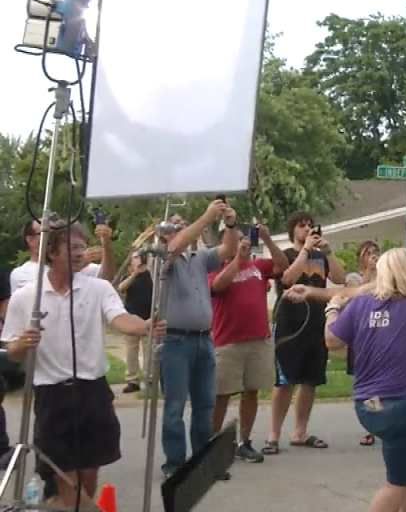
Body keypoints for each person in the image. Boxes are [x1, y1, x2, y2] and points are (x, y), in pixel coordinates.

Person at [1, 222, 164, 508]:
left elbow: (120, 318)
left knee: (88, 477)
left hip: (94, 393)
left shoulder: (98, 288)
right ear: (51, 251)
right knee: (68, 482)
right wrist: (21, 345)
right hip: (53, 396)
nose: (80, 253)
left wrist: (144, 326)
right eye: (72, 247)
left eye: (81, 246)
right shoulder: (27, 296)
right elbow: (11, 352)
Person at [324, 247, 406, 512]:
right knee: (398, 482)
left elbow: (331, 340)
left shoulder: (361, 304)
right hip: (405, 405)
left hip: (367, 405)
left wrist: (332, 310)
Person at [158, 200, 237, 478]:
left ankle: (203, 462)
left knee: (205, 404)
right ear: (164, 233)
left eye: (183, 223)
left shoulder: (199, 258)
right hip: (175, 342)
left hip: (204, 340)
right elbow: (175, 245)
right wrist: (205, 218)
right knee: (175, 406)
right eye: (175, 225)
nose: (181, 228)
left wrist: (229, 224)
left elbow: (229, 250)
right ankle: (175, 464)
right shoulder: (161, 258)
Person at [266, 212, 345, 455]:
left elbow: (340, 278)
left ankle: (300, 431)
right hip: (290, 324)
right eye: (302, 226)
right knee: (285, 380)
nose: (308, 229)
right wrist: (305, 251)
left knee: (311, 379)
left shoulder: (322, 257)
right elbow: (288, 278)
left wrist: (328, 251)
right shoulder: (287, 255)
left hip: (316, 323)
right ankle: (274, 434)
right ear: (293, 232)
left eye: (310, 225)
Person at [209, 221, 288, 463]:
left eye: (244, 237)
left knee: (251, 391)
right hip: (228, 341)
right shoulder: (214, 265)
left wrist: (267, 238)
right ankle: (212, 446)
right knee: (222, 394)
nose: (242, 241)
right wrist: (237, 261)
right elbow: (218, 286)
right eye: (236, 238)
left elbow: (282, 266)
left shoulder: (258, 265)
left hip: (258, 340)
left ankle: (244, 442)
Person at [10, 218, 116, 293]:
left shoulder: (76, 264)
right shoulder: (20, 273)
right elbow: (47, 291)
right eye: (46, 232)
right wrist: (80, 263)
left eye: (54, 232)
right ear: (30, 240)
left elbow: (107, 278)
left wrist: (106, 245)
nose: (52, 237)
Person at [350, 240, 381, 447]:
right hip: (361, 338)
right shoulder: (354, 279)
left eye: (376, 252)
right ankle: (371, 427)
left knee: (383, 382)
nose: (373, 256)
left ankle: (383, 424)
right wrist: (368, 276)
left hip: (381, 335)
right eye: (368, 253)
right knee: (366, 385)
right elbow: (353, 299)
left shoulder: (387, 278)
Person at [117, 249, 155, 393]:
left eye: (139, 257)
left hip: (148, 319)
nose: (137, 259)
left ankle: (149, 379)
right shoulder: (129, 276)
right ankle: (132, 380)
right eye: (135, 257)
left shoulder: (151, 275)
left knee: (149, 351)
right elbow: (121, 288)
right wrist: (134, 274)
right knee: (131, 351)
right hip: (131, 319)